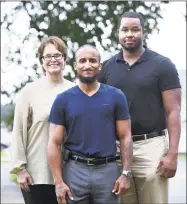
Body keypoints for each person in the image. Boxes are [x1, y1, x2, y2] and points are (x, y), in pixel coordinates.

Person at [98, 11, 181, 204]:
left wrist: (173, 154)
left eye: (135, 30)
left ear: (143, 32)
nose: (129, 34)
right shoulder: (107, 68)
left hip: (151, 145)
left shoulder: (163, 65)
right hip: (116, 148)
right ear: (118, 33)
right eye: (125, 29)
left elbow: (173, 111)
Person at [47, 45, 133, 204]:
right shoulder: (63, 99)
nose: (87, 65)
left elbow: (125, 136)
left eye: (93, 60)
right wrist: (58, 181)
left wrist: (126, 173)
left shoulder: (116, 96)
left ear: (100, 65)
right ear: (75, 66)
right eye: (82, 61)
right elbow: (54, 142)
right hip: (74, 171)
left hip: (108, 171)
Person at [10, 36, 75, 204]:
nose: (53, 59)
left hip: (70, 174)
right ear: (41, 61)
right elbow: (18, 131)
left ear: (64, 59)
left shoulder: (75, 91)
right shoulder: (29, 92)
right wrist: (20, 170)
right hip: (36, 175)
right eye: (48, 56)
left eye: (57, 55)